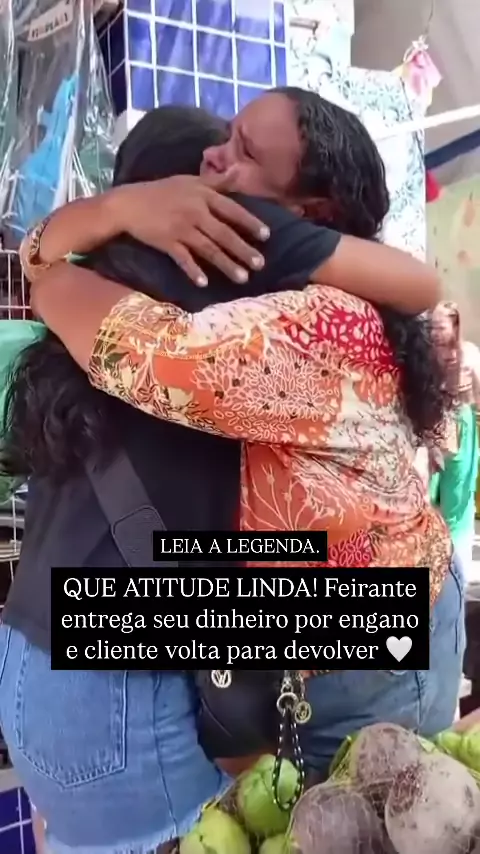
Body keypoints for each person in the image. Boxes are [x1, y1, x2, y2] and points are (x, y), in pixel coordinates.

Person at [0, 91, 456, 854]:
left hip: (368, 626)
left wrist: (57, 258)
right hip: (308, 624)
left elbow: (151, 356)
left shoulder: (299, 324)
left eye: (243, 152)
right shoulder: (232, 320)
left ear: (302, 218)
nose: (216, 166)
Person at [429, 301, 480, 582]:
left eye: (440, 326)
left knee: (457, 501)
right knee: (426, 496)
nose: (434, 332)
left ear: (455, 326)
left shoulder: (469, 353)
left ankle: (454, 571)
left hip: (460, 423)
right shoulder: (425, 353)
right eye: (431, 327)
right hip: (432, 422)